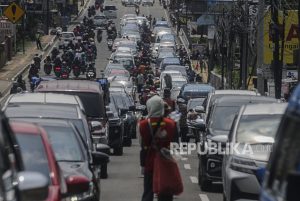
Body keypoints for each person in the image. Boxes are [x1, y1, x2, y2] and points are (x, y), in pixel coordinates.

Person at [139, 95, 175, 201]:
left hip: (150, 162)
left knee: (148, 192)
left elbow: (143, 143)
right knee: (165, 194)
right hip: (165, 163)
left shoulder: (143, 125)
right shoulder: (170, 124)